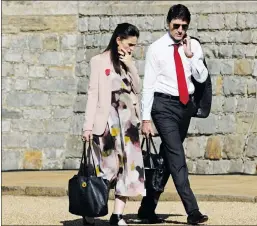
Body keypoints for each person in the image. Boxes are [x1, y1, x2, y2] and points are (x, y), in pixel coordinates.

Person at [138, 4, 209, 225]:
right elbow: (148, 86)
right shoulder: (156, 48)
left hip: (185, 107)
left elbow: (202, 78)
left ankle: (147, 208)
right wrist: (146, 119)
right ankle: (192, 210)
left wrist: (191, 57)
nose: (180, 30)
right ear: (168, 23)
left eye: (184, 26)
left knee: (169, 158)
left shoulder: (194, 45)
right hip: (163, 106)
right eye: (176, 25)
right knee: (177, 155)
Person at [82, 23, 145, 226]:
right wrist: (87, 127)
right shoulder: (98, 61)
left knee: (129, 171)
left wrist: (131, 64)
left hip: (129, 126)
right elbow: (92, 95)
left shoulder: (127, 62)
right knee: (107, 170)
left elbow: (137, 88)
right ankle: (91, 207)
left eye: (134, 45)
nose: (132, 48)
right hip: (107, 124)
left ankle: (117, 216)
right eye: (130, 44)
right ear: (118, 40)